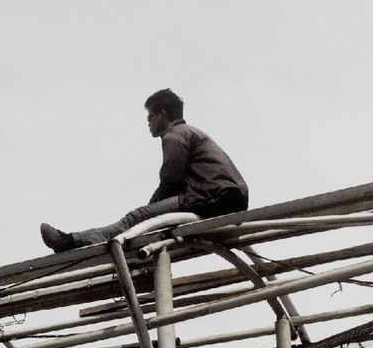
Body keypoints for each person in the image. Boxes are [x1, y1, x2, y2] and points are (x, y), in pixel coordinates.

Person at [39, 88, 249, 252]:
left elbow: (171, 179)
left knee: (136, 218)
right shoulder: (191, 133)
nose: (148, 122)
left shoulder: (174, 135)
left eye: (150, 116)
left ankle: (71, 241)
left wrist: (148, 210)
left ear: (163, 114)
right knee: (149, 219)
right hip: (227, 199)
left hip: (213, 199)